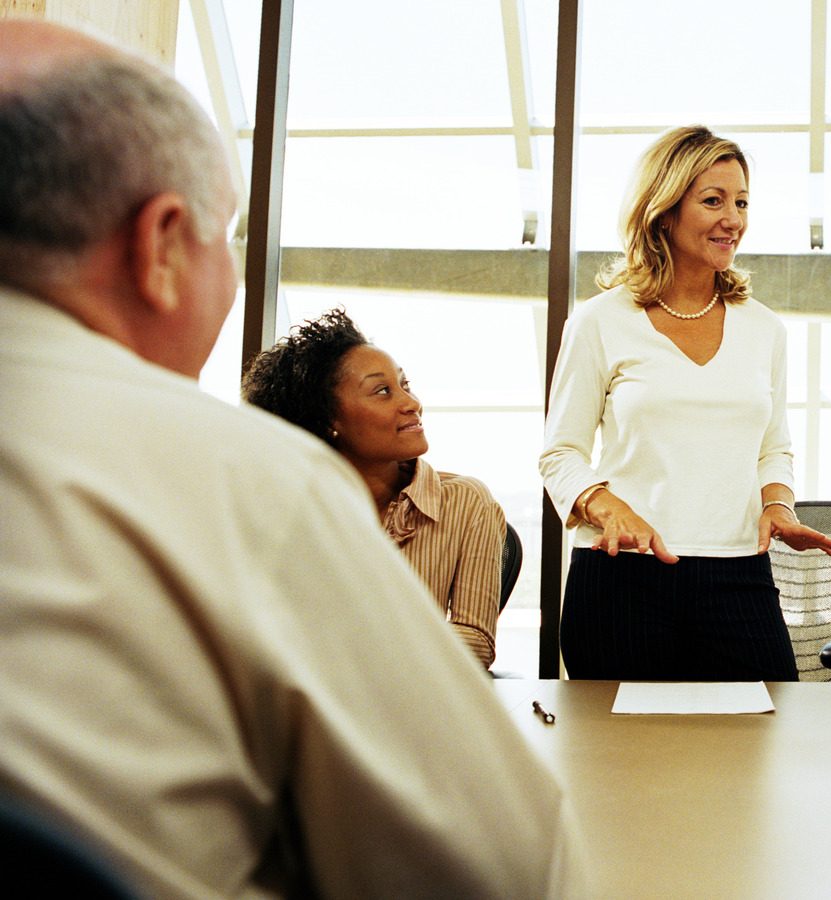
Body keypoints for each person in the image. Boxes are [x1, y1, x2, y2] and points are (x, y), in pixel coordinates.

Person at [0, 19, 576, 898]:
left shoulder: (437, 499)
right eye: (223, 235)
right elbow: (503, 868)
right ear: (157, 247)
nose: (408, 402)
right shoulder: (251, 483)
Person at [539, 125, 831, 681]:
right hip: (620, 577)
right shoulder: (600, 321)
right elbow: (560, 455)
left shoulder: (764, 329)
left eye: (742, 202)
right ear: (665, 210)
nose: (734, 219)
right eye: (713, 200)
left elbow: (773, 450)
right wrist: (610, 508)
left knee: (762, 748)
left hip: (738, 576)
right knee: (624, 762)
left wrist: (779, 508)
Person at [242, 309, 506, 668]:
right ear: (328, 420)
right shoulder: (285, 506)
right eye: (382, 391)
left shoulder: (467, 502)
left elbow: (476, 644)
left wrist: (349, 639)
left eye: (405, 385)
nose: (412, 403)